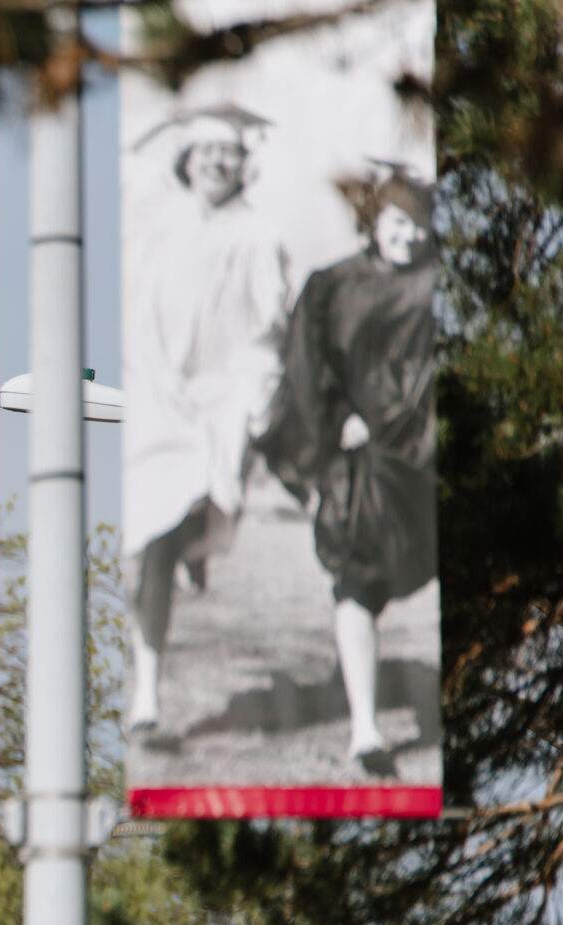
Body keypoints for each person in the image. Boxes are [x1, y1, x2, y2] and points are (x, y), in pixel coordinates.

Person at [255, 171, 438, 775]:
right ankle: (366, 730)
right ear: (375, 224)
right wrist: (339, 420)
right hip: (362, 457)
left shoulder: (438, 285)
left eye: (418, 226)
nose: (408, 238)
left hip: (426, 457)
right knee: (358, 580)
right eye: (397, 224)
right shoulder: (334, 287)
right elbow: (309, 369)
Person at [122, 105, 292, 733]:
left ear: (245, 164)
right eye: (205, 152)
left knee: (204, 517)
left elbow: (270, 329)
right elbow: (124, 166)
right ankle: (148, 689)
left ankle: (199, 539)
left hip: (220, 400)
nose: (217, 163)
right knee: (151, 544)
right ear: (187, 161)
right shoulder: (158, 223)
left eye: (229, 153)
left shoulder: (258, 235)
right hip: (155, 396)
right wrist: (172, 115)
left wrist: (251, 404)